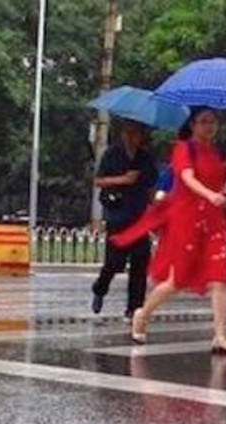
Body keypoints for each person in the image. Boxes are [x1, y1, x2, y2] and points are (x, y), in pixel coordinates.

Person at [113, 107, 226, 354]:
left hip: (213, 221)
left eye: (213, 122)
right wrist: (211, 195)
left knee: (220, 277)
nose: (209, 126)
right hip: (186, 219)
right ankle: (143, 314)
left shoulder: (215, 153)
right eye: (204, 121)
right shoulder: (184, 148)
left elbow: (216, 182)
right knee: (177, 280)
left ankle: (220, 336)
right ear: (192, 125)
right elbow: (188, 179)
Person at [91, 121, 158, 319]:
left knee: (140, 263)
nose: (131, 137)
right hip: (117, 217)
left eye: (135, 133)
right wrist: (123, 179)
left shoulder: (145, 158)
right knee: (114, 262)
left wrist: (156, 209)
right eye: (127, 133)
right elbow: (98, 181)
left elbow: (151, 187)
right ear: (122, 134)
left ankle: (134, 309)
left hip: (139, 217)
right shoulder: (112, 154)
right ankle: (100, 288)